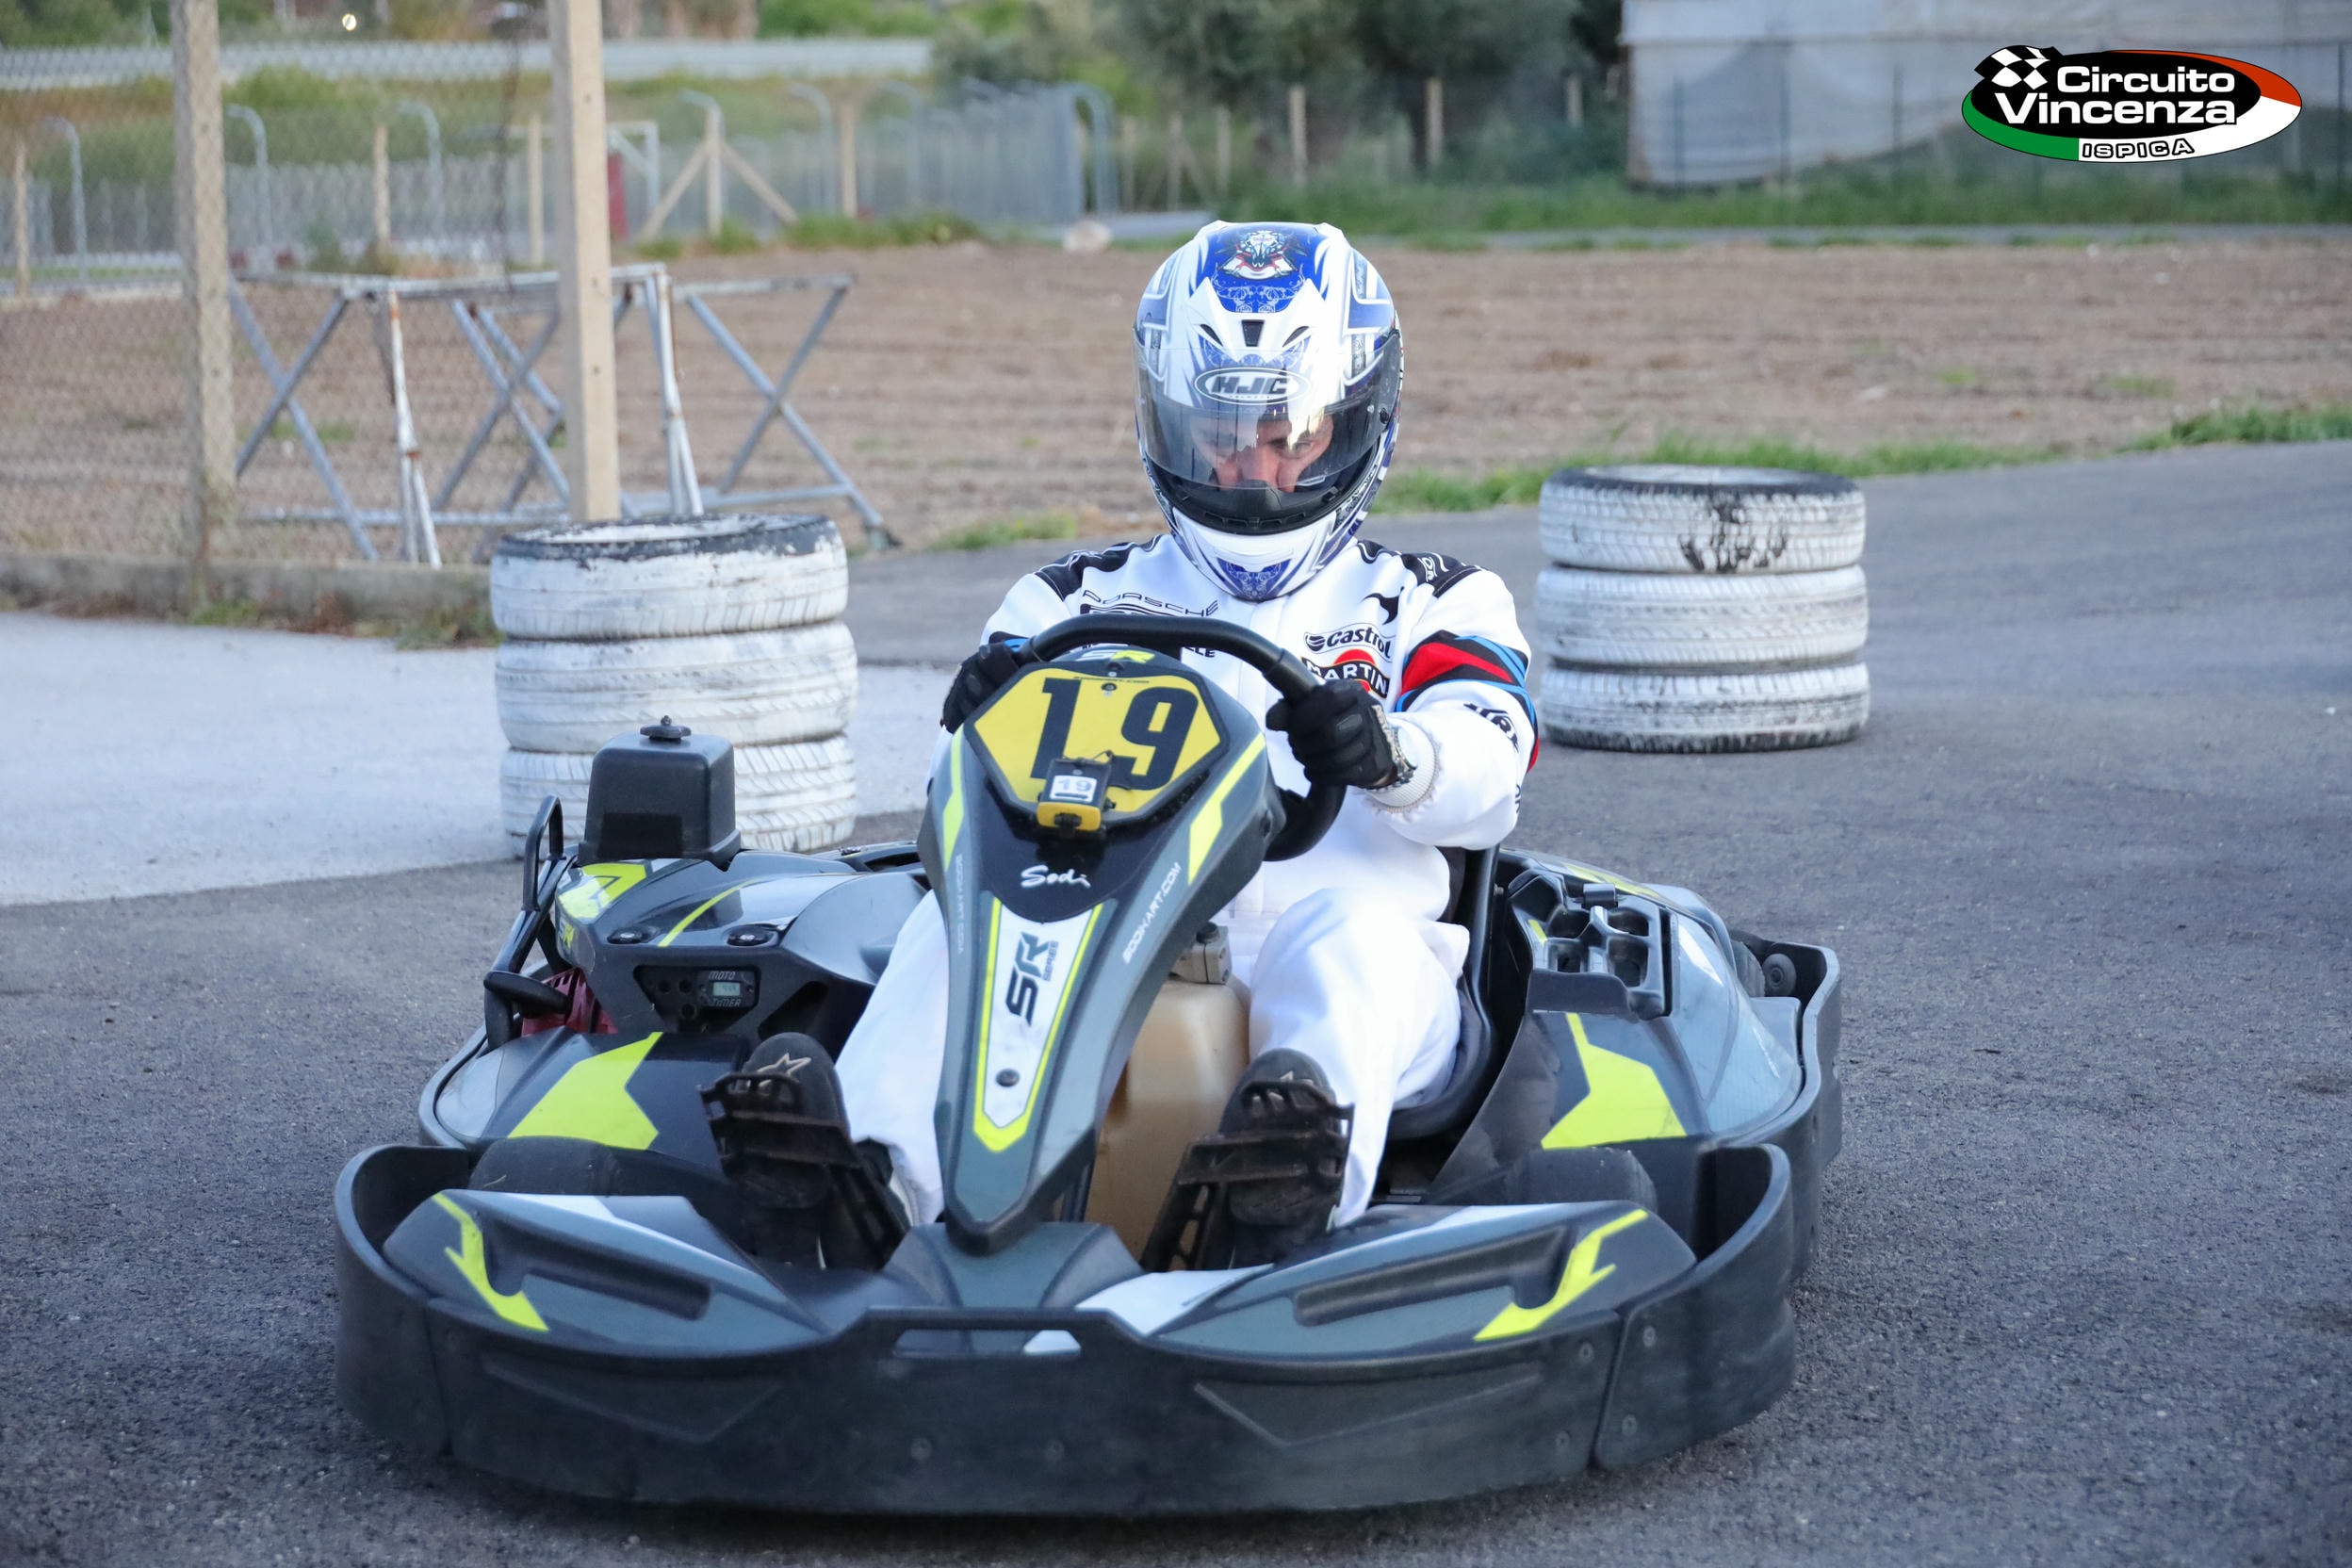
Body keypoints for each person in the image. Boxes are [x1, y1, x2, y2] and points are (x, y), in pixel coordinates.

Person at [748, 221, 1537, 1265]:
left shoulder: (1431, 599)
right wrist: (978, 724)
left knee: (1341, 938)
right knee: (950, 929)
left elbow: (1490, 758)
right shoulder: (1072, 601)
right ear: (1162, 419)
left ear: (1358, 422)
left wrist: (1390, 753)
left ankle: (1282, 1196)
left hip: (1364, 971)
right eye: (1220, 432)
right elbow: (962, 813)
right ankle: (867, 1183)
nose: (1252, 466)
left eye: (1286, 434)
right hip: (1097, 958)